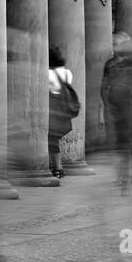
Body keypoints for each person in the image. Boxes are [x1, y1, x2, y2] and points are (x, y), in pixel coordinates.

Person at [101, 33, 132, 192]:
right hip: (114, 109)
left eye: (117, 43)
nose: (114, 46)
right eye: (113, 43)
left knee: (125, 145)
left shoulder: (130, 64)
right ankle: (120, 176)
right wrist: (106, 106)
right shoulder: (109, 64)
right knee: (116, 145)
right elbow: (104, 86)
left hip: (128, 109)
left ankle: (125, 177)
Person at [48, 47, 78, 183]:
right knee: (53, 140)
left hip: (52, 111)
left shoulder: (48, 73)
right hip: (63, 113)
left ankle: (57, 169)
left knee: (51, 140)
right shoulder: (67, 72)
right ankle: (57, 168)